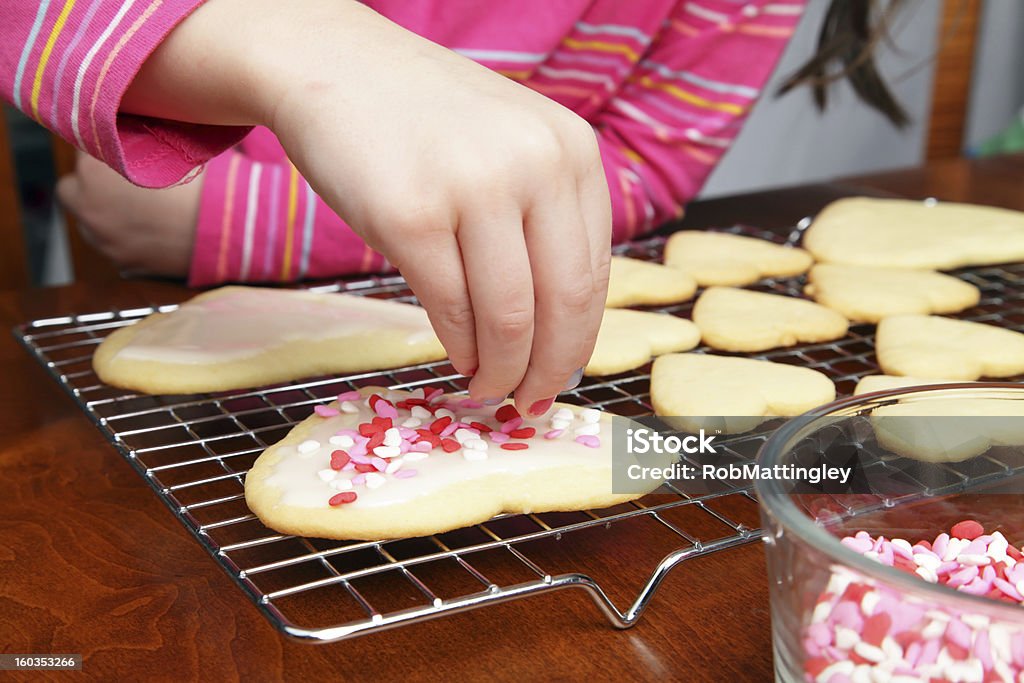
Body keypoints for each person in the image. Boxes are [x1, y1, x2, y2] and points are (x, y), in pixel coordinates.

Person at [2, 0, 906, 415]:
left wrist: (256, 221)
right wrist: (302, 40)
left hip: (454, 296)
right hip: (165, 292)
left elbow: (639, 162)